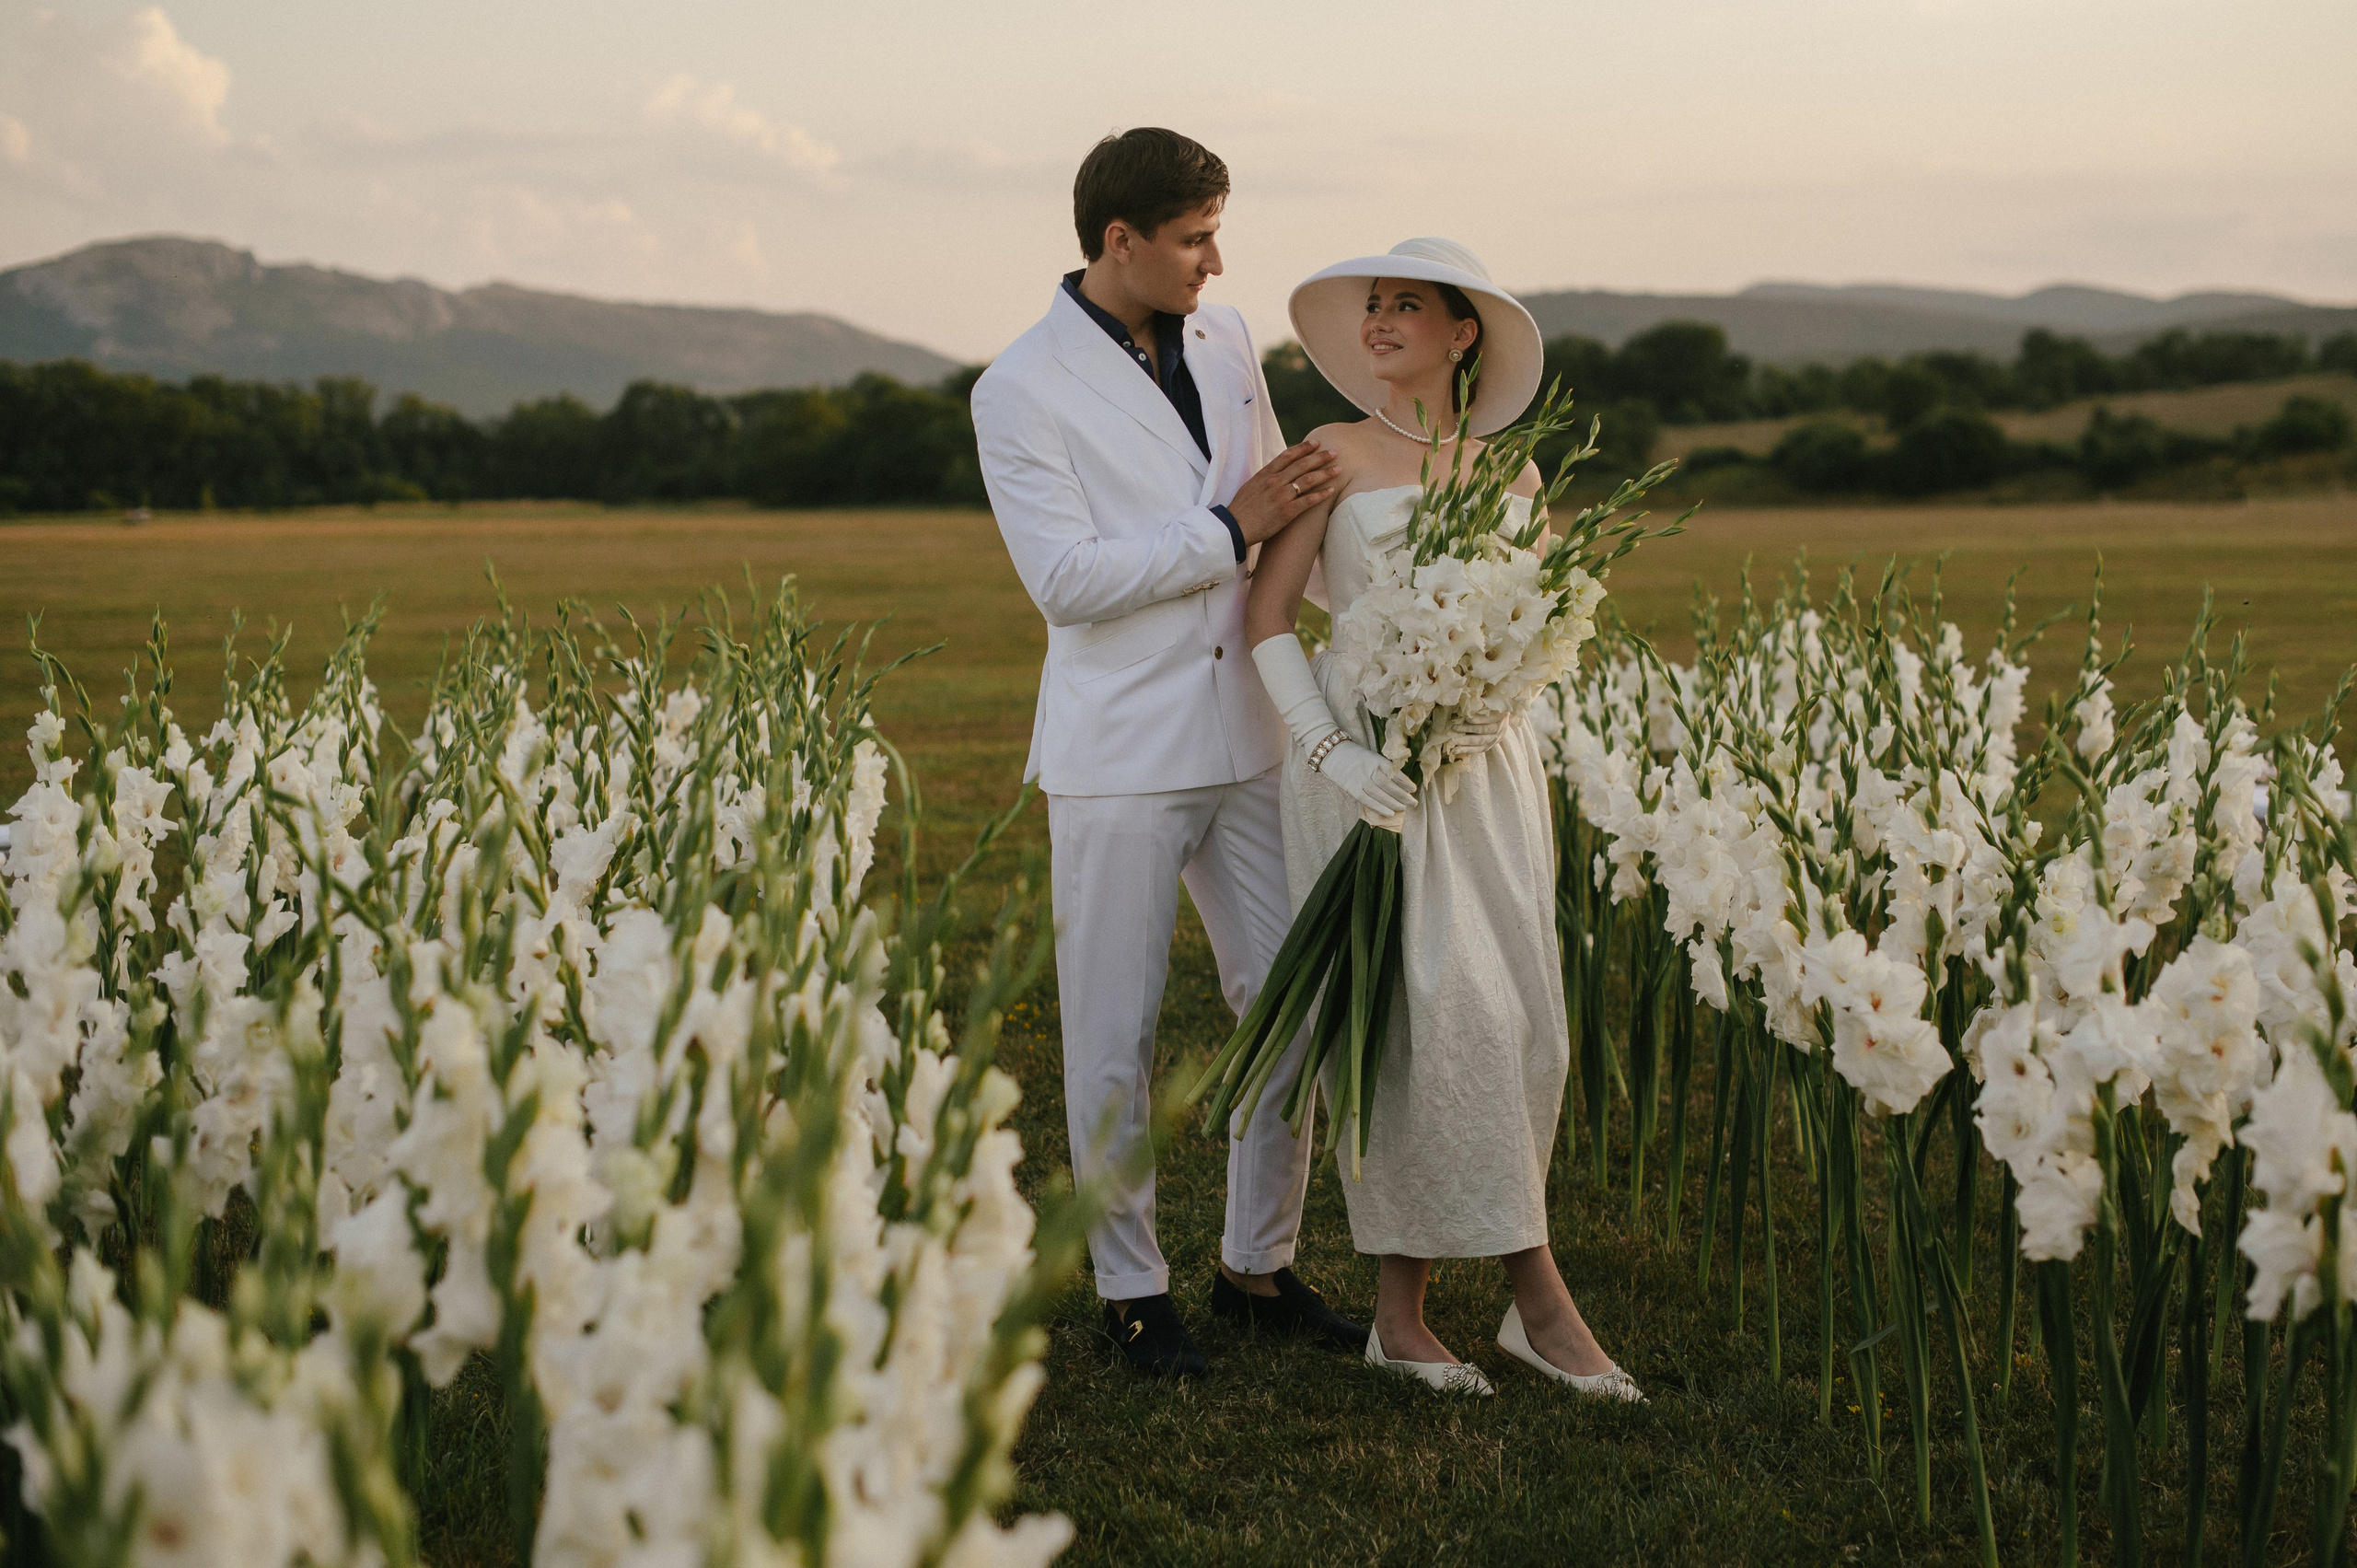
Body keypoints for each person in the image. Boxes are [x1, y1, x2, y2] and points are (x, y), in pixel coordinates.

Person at [970, 129, 1369, 1376]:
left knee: (1291, 997)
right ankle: (1131, 1288)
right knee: (1114, 1029)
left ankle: (1257, 1262)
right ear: (1118, 240)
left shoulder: (1227, 334)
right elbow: (1068, 581)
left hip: (1249, 726)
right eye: (1192, 237)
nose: (1214, 258)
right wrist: (1224, 528)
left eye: (1216, 232)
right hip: (1120, 750)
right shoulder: (1017, 387)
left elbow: (1279, 490)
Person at [1240, 238, 1643, 1400]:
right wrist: (1329, 749)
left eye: (1402, 305)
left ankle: (1400, 1319)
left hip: (1487, 770)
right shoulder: (1330, 455)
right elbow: (1268, 613)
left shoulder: (1512, 479)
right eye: (1370, 306)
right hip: (1368, 770)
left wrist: (1498, 704)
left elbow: (1546, 621)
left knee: (1517, 1021)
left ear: (1462, 332)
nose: (1378, 321)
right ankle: (1539, 1304)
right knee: (1429, 1013)